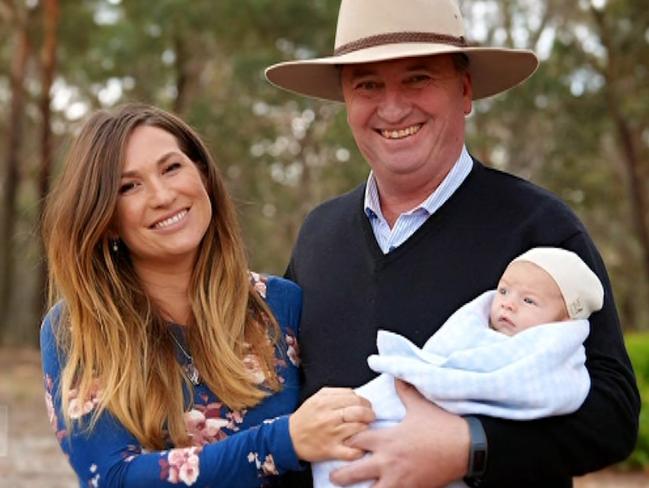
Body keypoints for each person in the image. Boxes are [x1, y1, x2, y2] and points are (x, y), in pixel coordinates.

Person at [265, 0, 640, 486]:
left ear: (464, 90)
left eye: (418, 78)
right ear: (345, 99)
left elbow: (613, 415)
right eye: (367, 84)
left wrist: (471, 447)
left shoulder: (539, 227)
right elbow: (286, 403)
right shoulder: (318, 234)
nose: (393, 106)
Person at [39, 103, 374, 487]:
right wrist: (284, 442)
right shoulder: (76, 328)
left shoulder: (281, 305)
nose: (163, 195)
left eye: (171, 167)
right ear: (108, 220)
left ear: (203, 175)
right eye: (129, 186)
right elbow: (112, 477)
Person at [313, 247, 604, 488]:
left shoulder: (545, 356)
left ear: (564, 321)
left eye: (529, 300)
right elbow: (440, 358)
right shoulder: (472, 329)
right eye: (503, 291)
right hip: (377, 413)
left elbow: (598, 418)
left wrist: (468, 443)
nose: (508, 305)